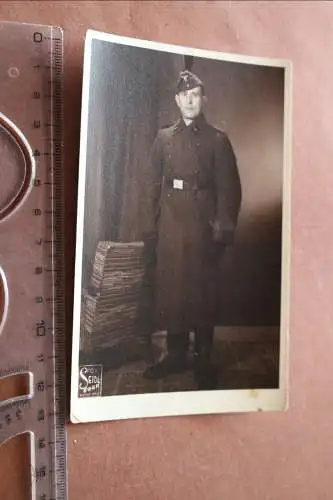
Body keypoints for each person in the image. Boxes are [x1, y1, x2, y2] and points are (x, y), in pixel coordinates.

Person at [141, 69, 242, 389]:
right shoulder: (164, 138)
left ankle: (204, 359)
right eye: (184, 95)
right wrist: (150, 227)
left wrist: (222, 230)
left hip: (202, 225)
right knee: (173, 291)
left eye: (195, 95)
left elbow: (230, 190)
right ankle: (175, 355)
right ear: (176, 100)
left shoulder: (217, 140)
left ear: (204, 99)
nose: (189, 100)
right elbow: (150, 186)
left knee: (201, 294)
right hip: (170, 222)